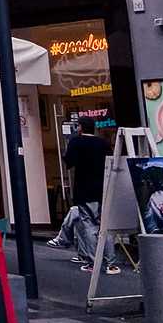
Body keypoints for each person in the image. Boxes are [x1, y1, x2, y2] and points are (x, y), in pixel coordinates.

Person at [63, 116, 119, 274]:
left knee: (88, 225)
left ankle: (93, 262)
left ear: (80, 127)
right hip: (103, 188)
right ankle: (111, 263)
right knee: (105, 226)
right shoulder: (103, 143)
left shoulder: (76, 142)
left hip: (85, 189)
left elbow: (69, 162)